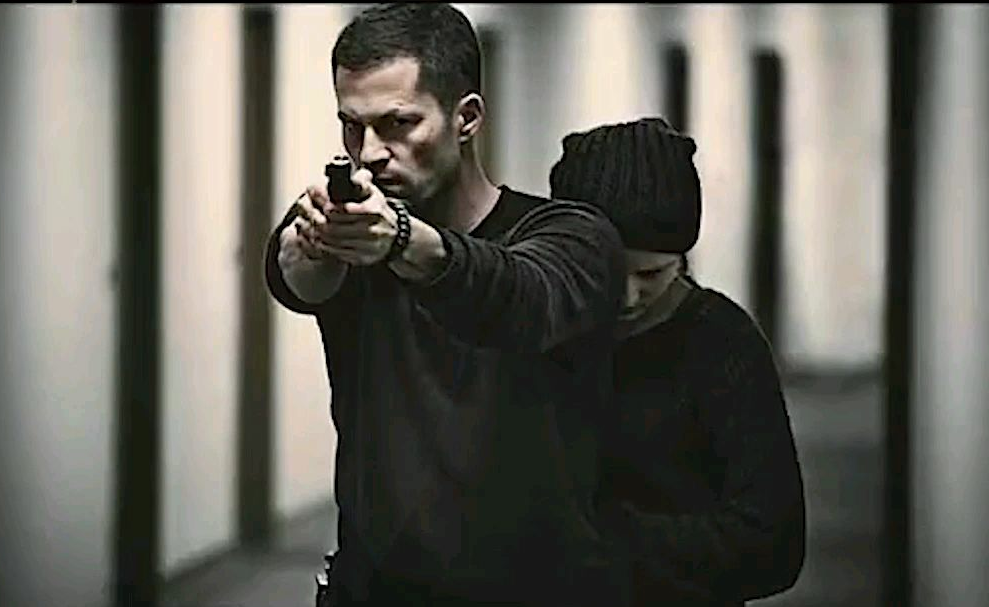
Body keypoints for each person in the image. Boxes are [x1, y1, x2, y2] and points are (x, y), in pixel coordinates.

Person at [264, 4, 630, 606]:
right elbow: (295, 278)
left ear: (467, 118)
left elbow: (519, 298)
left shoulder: (570, 235)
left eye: (398, 124)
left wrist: (404, 242)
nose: (369, 152)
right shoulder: (357, 234)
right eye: (352, 126)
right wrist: (310, 250)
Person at [548, 117, 807, 606]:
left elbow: (774, 543)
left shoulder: (722, 342)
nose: (627, 297)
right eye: (607, 271)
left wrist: (599, 539)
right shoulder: (546, 329)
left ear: (682, 259)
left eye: (652, 274)